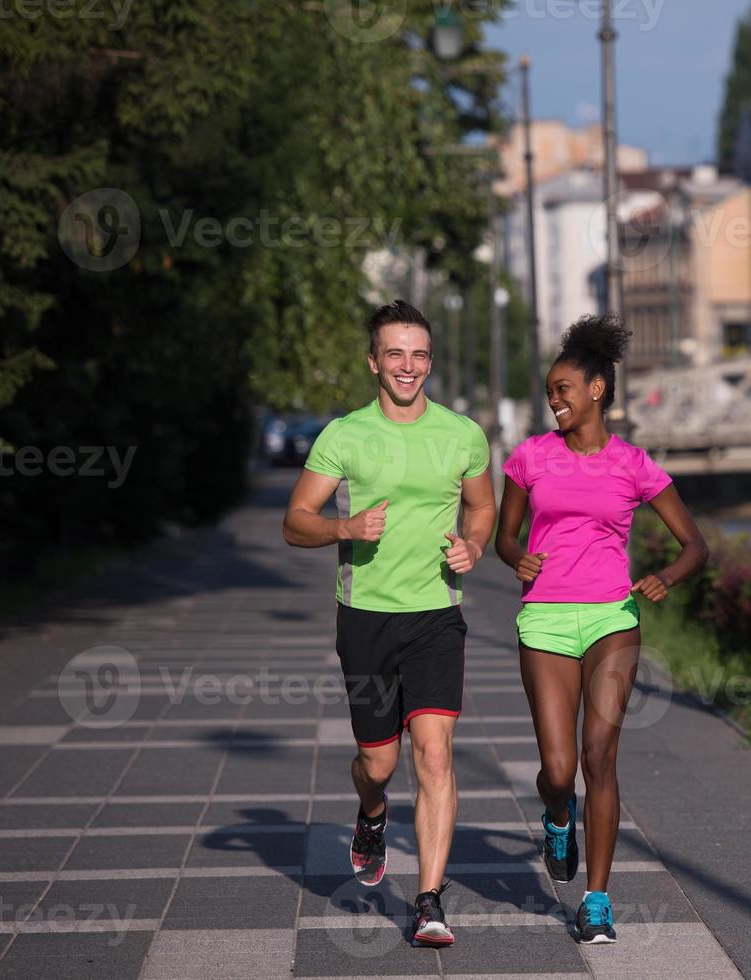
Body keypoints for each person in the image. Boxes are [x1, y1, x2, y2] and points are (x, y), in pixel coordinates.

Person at [282, 299, 494, 948]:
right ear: (374, 361)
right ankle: (371, 814)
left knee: (434, 754)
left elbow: (483, 507)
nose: (408, 365)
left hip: (436, 615)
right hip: (366, 618)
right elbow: (295, 522)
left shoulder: (462, 433)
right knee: (378, 763)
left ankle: (428, 899)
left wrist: (474, 546)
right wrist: (343, 526)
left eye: (419, 353)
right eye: (395, 353)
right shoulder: (344, 435)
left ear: (430, 362)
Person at [495, 314, 708, 944]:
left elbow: (694, 544)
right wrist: (516, 557)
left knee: (600, 757)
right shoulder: (530, 457)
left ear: (596, 390)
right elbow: (505, 535)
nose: (553, 400)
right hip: (546, 619)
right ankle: (557, 815)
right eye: (549, 391)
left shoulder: (634, 465)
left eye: (563, 389)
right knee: (559, 770)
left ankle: (596, 898)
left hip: (613, 619)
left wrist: (666, 576)